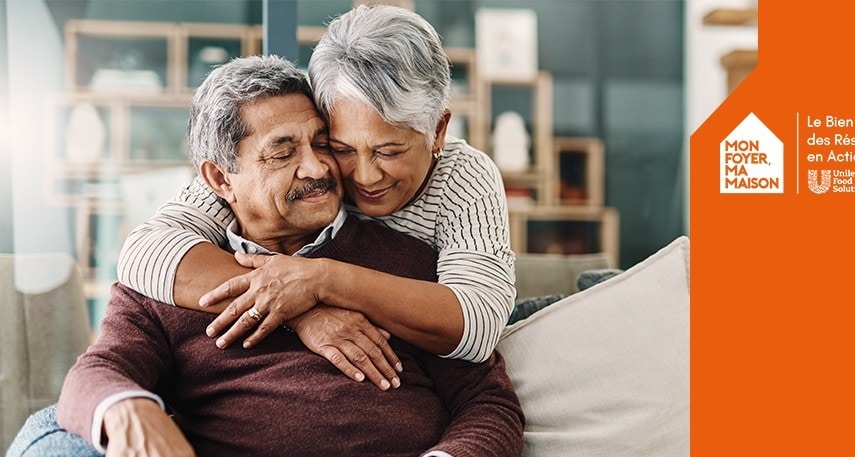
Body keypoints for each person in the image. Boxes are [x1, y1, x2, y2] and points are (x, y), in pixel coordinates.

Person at [8, 55, 523, 457]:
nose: (317, 168)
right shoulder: (169, 279)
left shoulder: (406, 262)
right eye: (282, 153)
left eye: (323, 143)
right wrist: (126, 410)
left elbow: (488, 402)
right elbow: (94, 375)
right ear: (218, 179)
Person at [116, 4, 516, 382]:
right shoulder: (310, 169)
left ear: (439, 131)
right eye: (341, 148)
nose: (365, 177)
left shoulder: (463, 177)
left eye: (389, 151)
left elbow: (479, 327)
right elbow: (144, 252)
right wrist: (304, 310)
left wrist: (322, 280)